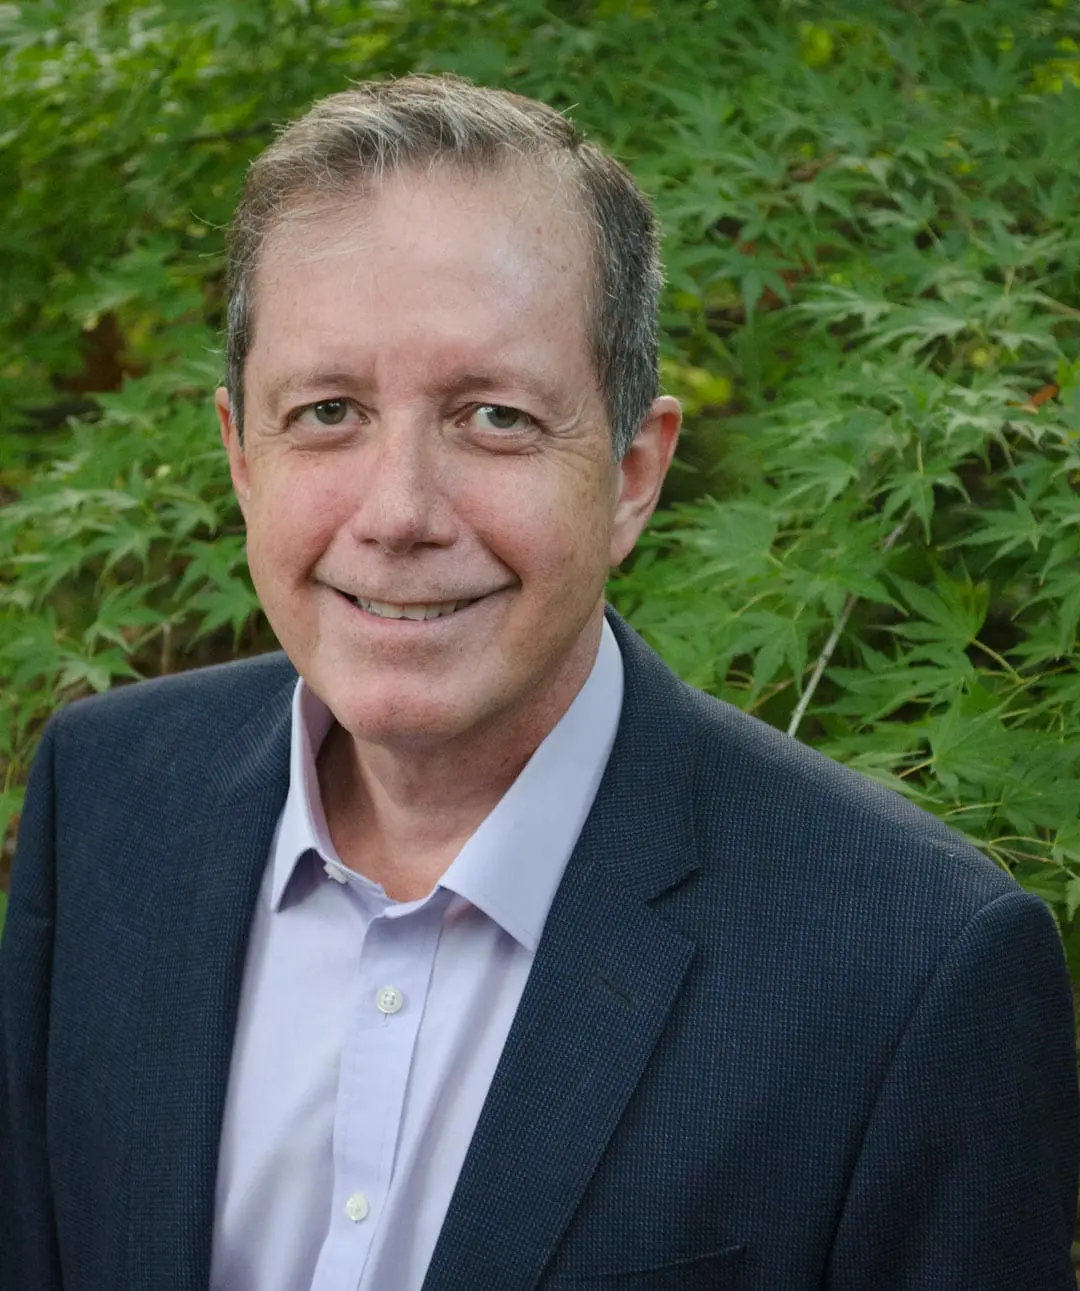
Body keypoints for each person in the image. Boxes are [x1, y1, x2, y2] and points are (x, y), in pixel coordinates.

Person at [0, 74, 1076, 1291]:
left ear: (631, 473)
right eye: (329, 410)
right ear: (241, 456)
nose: (399, 513)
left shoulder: (910, 965)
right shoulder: (107, 799)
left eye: (496, 417)